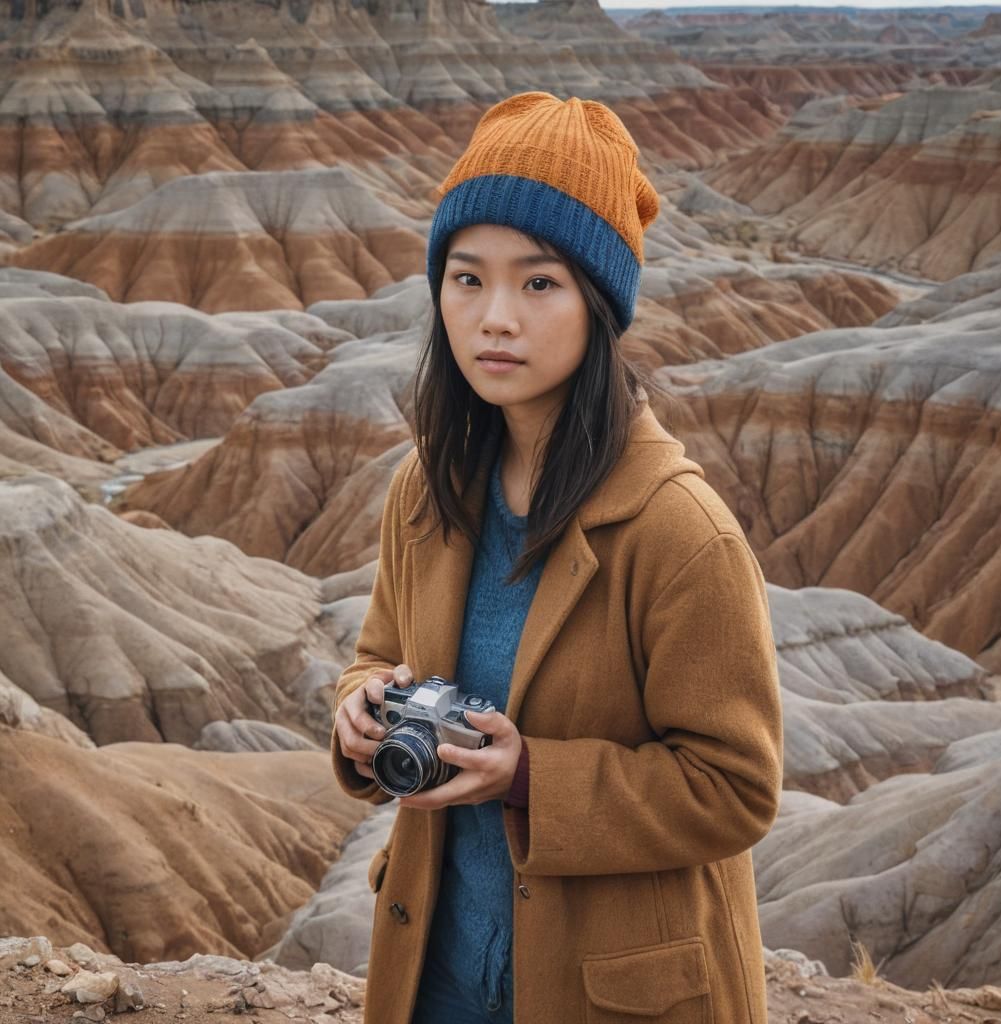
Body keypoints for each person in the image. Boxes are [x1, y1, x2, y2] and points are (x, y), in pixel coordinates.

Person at [331, 90, 784, 1024]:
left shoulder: (679, 533)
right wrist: (361, 710)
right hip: (438, 971)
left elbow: (736, 787)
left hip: (611, 994)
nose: (494, 318)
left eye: (538, 284)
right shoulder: (428, 490)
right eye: (467, 278)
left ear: (598, 304)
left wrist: (532, 776)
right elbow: (377, 653)